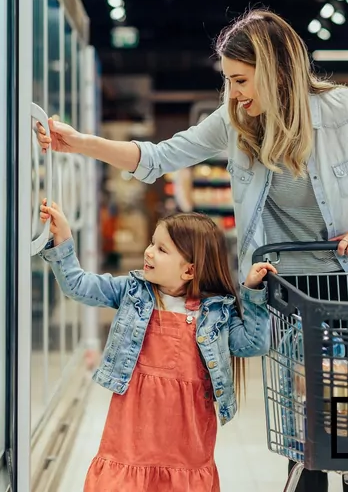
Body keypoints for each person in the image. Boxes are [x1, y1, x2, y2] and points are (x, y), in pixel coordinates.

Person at [38, 9, 348, 491]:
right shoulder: (236, 123)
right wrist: (82, 143)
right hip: (292, 292)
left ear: (275, 68)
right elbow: (159, 157)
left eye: (240, 80)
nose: (234, 93)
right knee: (306, 430)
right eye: (229, 81)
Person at [38, 200, 273, 492]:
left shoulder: (216, 312)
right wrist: (62, 241)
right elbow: (78, 285)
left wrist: (252, 292)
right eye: (152, 243)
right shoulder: (131, 292)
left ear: (189, 270)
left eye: (162, 249)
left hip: (186, 435)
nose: (148, 252)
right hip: (131, 426)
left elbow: (254, 343)